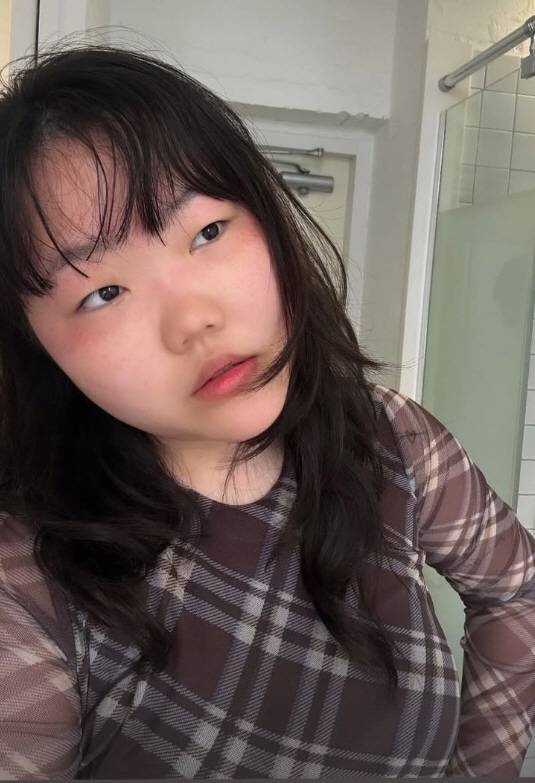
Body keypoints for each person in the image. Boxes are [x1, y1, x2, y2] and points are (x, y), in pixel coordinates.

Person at [0, 44, 533, 781]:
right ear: (36, 349)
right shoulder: (25, 584)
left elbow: (516, 588)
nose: (195, 321)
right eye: (103, 294)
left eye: (207, 232)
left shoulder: (390, 435)